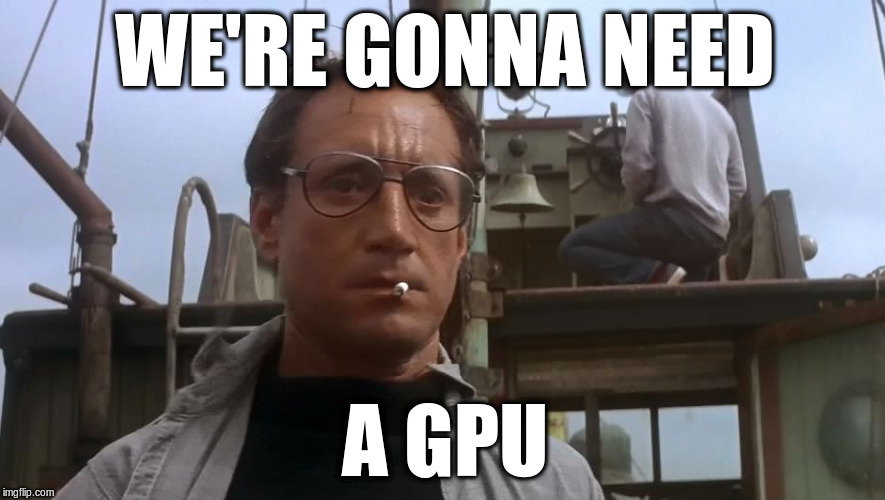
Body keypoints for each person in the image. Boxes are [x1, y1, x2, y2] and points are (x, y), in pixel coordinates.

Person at [56, 57, 604, 500]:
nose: (395, 231)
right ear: (268, 222)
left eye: (430, 194)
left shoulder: (557, 486)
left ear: (461, 239)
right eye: (347, 184)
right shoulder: (119, 486)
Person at [558, 80, 748, 284]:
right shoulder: (721, 114)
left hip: (670, 225)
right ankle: (709, 273)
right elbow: (739, 185)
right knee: (683, 272)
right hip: (713, 238)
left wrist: (639, 201)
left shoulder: (646, 98)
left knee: (573, 246)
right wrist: (712, 215)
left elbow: (638, 166)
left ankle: (656, 274)